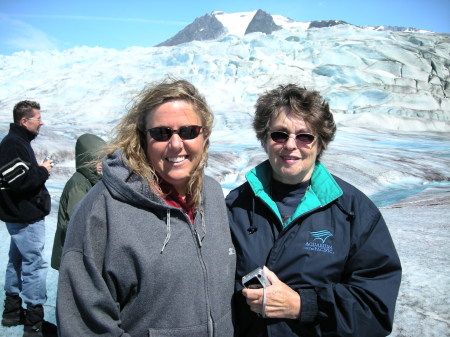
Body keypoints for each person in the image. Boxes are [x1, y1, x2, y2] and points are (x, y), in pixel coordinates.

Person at [56, 79, 236, 336]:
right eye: (161, 133)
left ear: (204, 135)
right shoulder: (102, 209)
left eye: (188, 131)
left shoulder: (213, 193)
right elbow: (84, 326)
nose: (176, 144)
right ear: (142, 139)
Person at [226, 84, 402, 337]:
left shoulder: (354, 212)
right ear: (265, 140)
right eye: (279, 135)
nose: (290, 145)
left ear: (321, 142)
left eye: (304, 136)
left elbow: (376, 309)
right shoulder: (236, 205)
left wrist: (302, 305)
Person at [0, 100, 57, 336]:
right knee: (34, 265)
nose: (41, 122)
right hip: (25, 217)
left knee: (17, 260)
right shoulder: (13, 144)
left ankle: (12, 312)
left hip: (18, 215)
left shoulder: (16, 142)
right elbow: (21, 182)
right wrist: (43, 170)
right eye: (37, 118)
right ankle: (34, 323)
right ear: (24, 121)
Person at [51, 133, 105, 270]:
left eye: (103, 158)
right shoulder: (79, 184)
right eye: (96, 159)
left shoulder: (90, 181)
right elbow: (76, 223)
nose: (101, 164)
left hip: (77, 253)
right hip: (72, 255)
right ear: (87, 160)